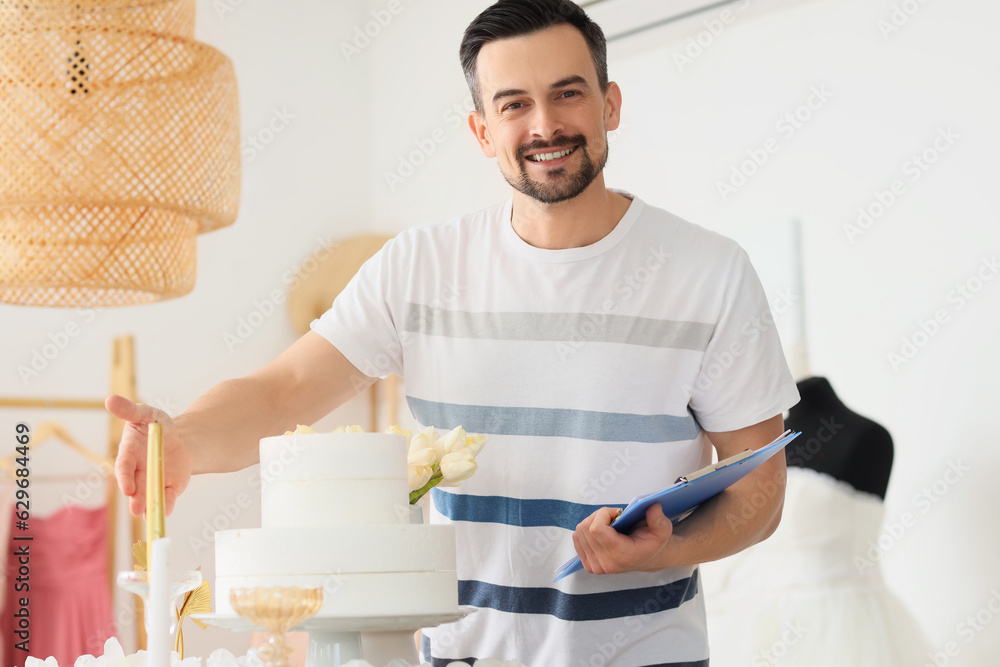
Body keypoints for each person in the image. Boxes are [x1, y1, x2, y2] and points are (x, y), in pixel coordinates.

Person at [107, 1, 800, 664]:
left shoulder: (710, 273)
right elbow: (285, 389)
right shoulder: (419, 267)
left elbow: (759, 489)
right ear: (481, 131)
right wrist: (185, 439)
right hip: (460, 655)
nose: (544, 125)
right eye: (514, 105)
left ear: (610, 104)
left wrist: (664, 547)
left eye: (568, 94)